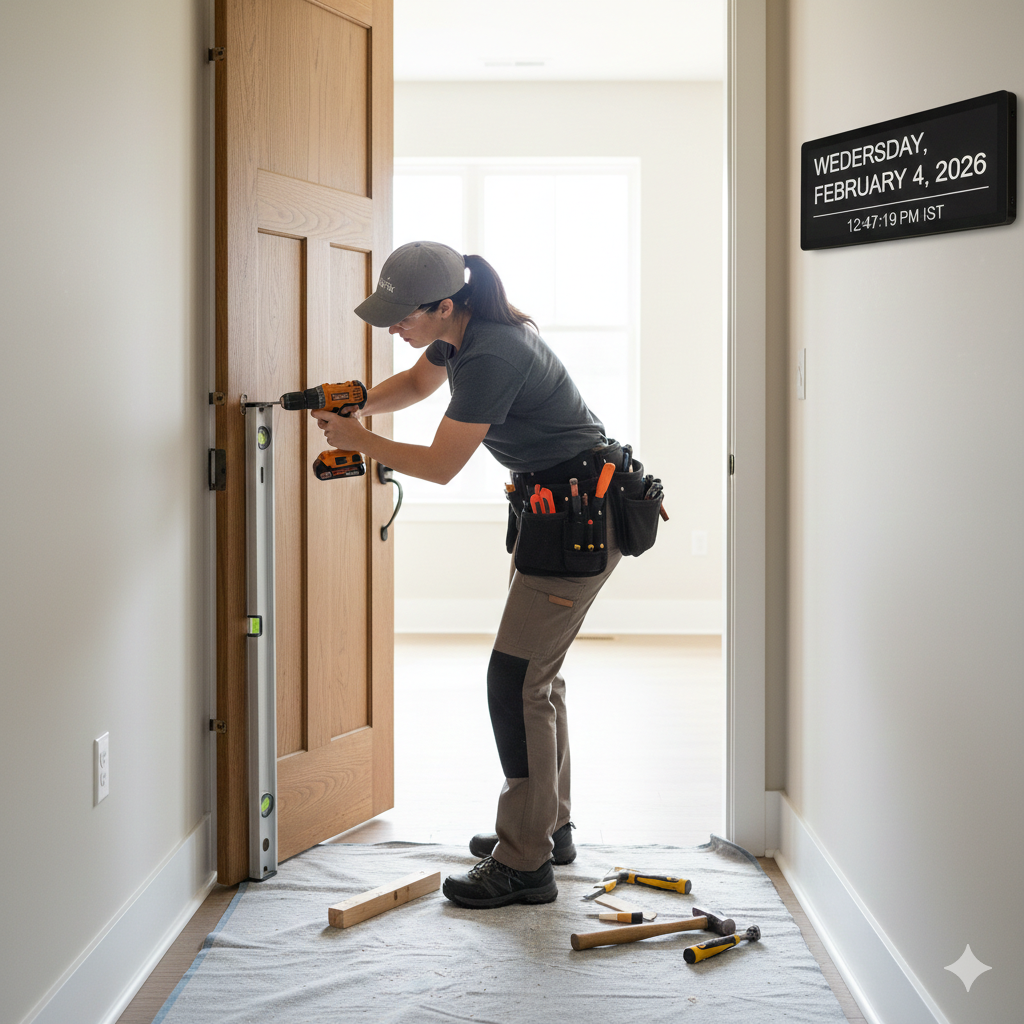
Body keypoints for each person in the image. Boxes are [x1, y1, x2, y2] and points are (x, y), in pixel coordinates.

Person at [316, 240, 631, 909]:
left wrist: (359, 442)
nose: (392, 328)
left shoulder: (493, 353)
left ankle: (524, 864)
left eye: (401, 316)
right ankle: (547, 828)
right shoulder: (460, 335)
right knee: (536, 679)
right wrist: (359, 405)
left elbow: (440, 466)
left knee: (515, 682)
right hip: (555, 513)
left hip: (580, 519)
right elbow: (415, 386)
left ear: (444, 305)